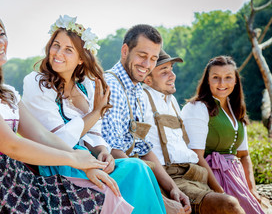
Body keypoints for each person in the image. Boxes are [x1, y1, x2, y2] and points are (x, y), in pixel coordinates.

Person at [0, 9, 133, 214]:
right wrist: (73, 159)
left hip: (13, 176)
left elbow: (41, 135)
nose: (0, 42)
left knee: (99, 198)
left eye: (1, 34)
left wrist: (86, 163)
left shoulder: (8, 94)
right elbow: (11, 144)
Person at [22, 15, 166, 214]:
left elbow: (94, 133)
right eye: (56, 45)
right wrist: (96, 112)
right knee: (136, 170)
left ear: (81, 58)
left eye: (68, 49)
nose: (58, 53)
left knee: (142, 170)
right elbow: (59, 138)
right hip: (60, 163)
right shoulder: (38, 83)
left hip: (88, 159)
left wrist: (102, 151)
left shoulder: (86, 85)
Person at [101, 24, 192, 214]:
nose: (147, 65)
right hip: (113, 177)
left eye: (153, 59)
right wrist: (161, 201)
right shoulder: (111, 86)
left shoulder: (137, 91)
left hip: (134, 172)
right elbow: (113, 150)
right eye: (142, 56)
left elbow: (142, 146)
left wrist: (172, 187)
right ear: (125, 51)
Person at [142, 51, 245, 214]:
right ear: (147, 79)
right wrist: (171, 187)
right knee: (229, 205)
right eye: (164, 72)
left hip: (194, 173)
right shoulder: (141, 100)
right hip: (171, 176)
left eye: (171, 69)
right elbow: (141, 150)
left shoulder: (172, 101)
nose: (172, 75)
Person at [181, 55, 265, 214]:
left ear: (235, 81)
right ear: (207, 80)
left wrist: (251, 188)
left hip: (236, 176)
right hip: (210, 176)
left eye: (228, 77)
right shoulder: (198, 107)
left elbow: (244, 155)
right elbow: (196, 155)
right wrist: (220, 191)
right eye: (216, 78)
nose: (222, 83)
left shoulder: (236, 110)